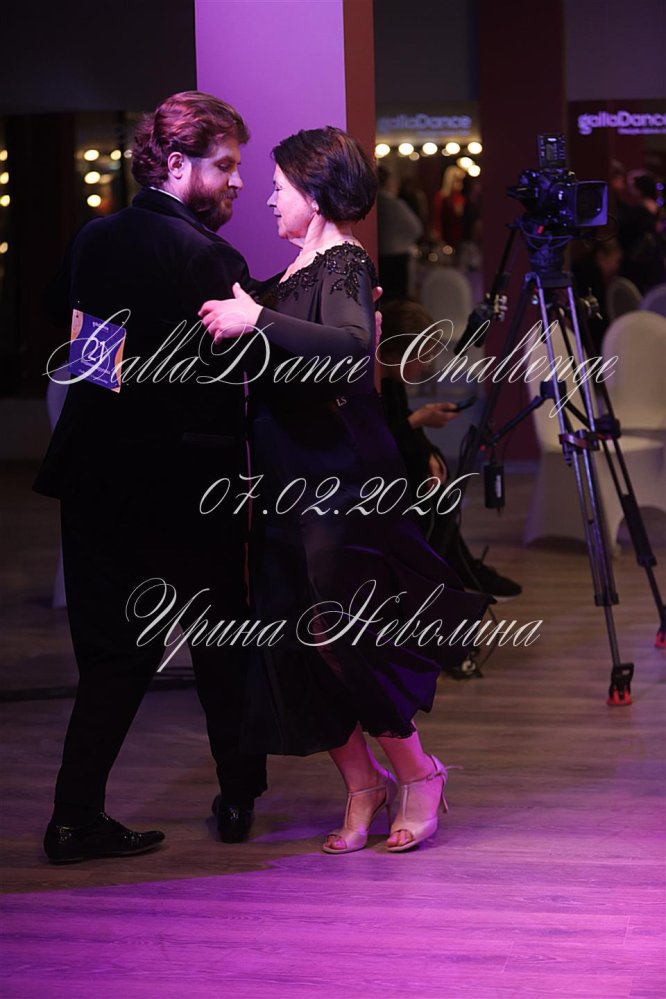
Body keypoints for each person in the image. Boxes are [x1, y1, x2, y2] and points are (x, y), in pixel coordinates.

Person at [199, 127, 490, 854]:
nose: (269, 199)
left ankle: (418, 772)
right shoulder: (293, 273)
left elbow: (351, 347)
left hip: (336, 477)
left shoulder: (345, 262)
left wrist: (255, 319)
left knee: (343, 633)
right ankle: (363, 782)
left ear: (316, 192)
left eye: (279, 187)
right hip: (283, 477)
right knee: (291, 636)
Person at [35, 91, 268, 863]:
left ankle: (74, 816)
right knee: (220, 642)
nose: (237, 181)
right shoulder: (207, 256)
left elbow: (77, 341)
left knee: (113, 653)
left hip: (96, 472)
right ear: (176, 164)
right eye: (225, 165)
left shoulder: (96, 236)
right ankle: (236, 797)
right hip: (186, 479)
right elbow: (250, 365)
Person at [378, 299, 522, 603]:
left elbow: (403, 428)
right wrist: (419, 420)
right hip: (380, 483)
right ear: (393, 355)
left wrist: (429, 454)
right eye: (420, 357)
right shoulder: (374, 387)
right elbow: (381, 440)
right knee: (436, 500)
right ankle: (456, 573)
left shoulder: (392, 383)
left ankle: (459, 570)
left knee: (440, 492)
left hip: (400, 474)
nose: (425, 365)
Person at [376, 164, 423, 300]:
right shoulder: (392, 203)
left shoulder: (375, 203)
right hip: (397, 257)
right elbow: (416, 228)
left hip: (380, 255)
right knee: (397, 299)